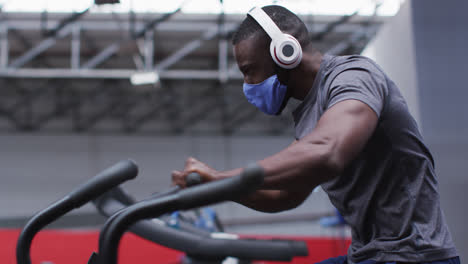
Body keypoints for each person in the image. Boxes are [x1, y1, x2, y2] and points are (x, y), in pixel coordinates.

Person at [172, 5, 459, 264]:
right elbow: (284, 194)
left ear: (285, 52)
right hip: (368, 253)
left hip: (414, 255)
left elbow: (328, 151)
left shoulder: (353, 77)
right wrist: (215, 188)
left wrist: (223, 179)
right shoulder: (311, 116)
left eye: (249, 71)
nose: (248, 84)